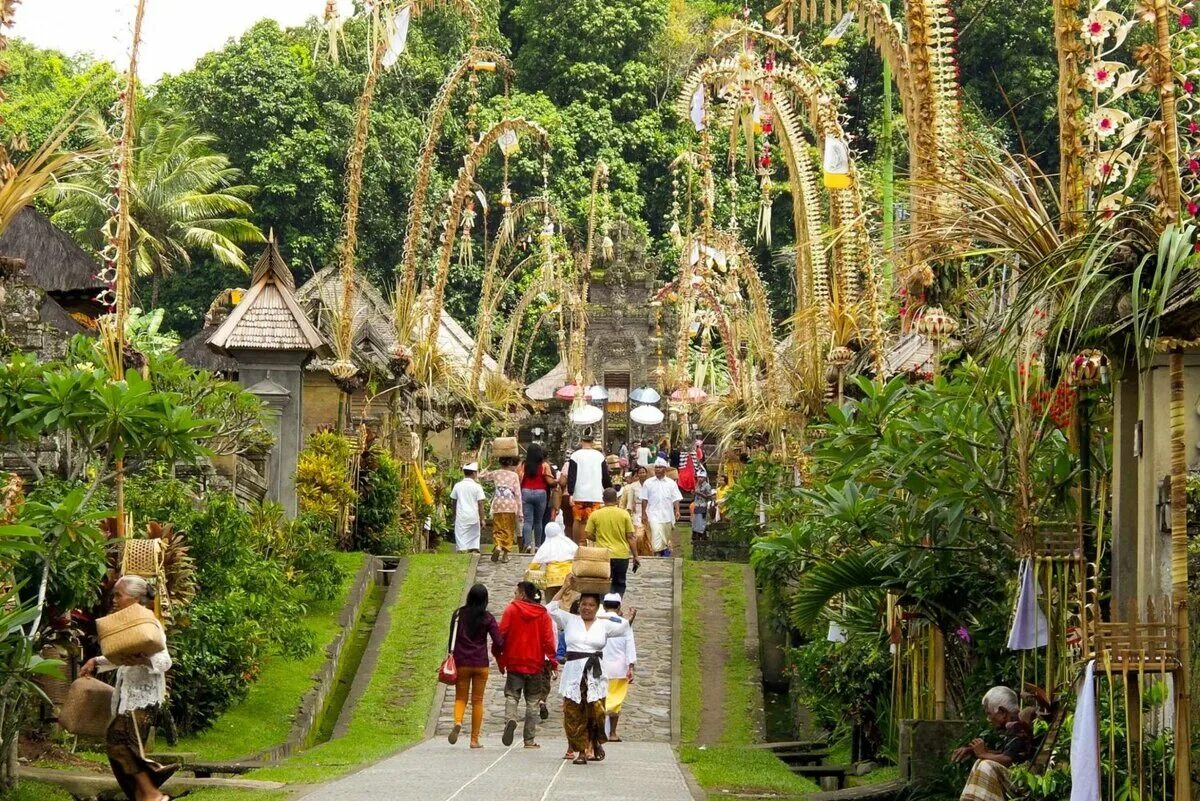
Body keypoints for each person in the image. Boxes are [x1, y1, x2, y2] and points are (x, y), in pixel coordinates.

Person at [80, 576, 178, 801]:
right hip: (127, 698)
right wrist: (97, 662)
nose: (113, 599)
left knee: (121, 743)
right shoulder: (130, 622)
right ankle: (143, 796)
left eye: (118, 594)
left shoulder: (148, 623)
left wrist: (144, 660)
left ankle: (153, 795)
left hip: (141, 699)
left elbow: (165, 661)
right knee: (123, 749)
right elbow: (121, 656)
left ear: (134, 598)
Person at [548, 576, 632, 764]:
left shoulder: (603, 624)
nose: (587, 608)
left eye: (591, 605)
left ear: (597, 607)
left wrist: (611, 614)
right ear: (579, 606)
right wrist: (564, 587)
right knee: (573, 712)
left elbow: (624, 626)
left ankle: (594, 742)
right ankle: (581, 751)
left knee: (596, 711)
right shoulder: (570, 620)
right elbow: (549, 610)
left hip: (594, 673)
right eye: (584, 604)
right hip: (573, 672)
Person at [498, 581, 558, 748]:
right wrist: (553, 663)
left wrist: (500, 657)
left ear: (523, 594)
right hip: (535, 663)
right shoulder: (543, 614)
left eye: (516, 592)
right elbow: (548, 641)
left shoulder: (511, 609)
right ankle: (529, 740)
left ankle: (510, 718)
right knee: (533, 701)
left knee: (512, 695)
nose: (514, 596)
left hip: (514, 661)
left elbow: (501, 634)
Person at [952, 686, 1033, 801]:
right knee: (981, 762)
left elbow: (1008, 759)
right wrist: (974, 751)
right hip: (1017, 778)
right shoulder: (1013, 726)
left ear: (1002, 712)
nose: (988, 719)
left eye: (989, 713)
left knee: (986, 765)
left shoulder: (1017, 726)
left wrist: (983, 754)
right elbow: (1011, 753)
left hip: (1022, 781)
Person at [447, 584, 504, 748]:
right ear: (485, 600)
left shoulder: (458, 614)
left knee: (460, 698)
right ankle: (474, 740)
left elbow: (452, 639)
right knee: (478, 701)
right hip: (480, 664)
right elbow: (499, 642)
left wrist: (450, 658)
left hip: (462, 663)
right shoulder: (488, 618)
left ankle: (458, 722)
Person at [585, 487, 640, 596]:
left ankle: (602, 605)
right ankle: (616, 605)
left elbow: (588, 534)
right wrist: (635, 556)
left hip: (602, 554)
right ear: (616, 499)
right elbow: (630, 537)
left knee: (603, 582)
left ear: (603, 499)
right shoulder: (624, 514)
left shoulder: (595, 514)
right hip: (621, 554)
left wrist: (599, 539)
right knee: (619, 582)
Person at [600, 593, 637, 742]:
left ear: (603, 606)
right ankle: (613, 733)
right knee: (616, 701)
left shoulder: (597, 622)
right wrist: (631, 666)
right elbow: (630, 646)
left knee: (601, 698)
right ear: (618, 607)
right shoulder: (624, 624)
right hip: (619, 668)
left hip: (601, 667)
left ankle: (600, 730)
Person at [565, 432, 611, 544]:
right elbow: (605, 476)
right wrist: (608, 489)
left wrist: (571, 492)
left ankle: (578, 544)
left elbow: (572, 476)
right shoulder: (599, 456)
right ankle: (592, 545)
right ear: (593, 442)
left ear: (581, 441)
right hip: (595, 493)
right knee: (593, 520)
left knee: (578, 519)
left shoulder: (575, 455)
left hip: (579, 493)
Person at [479, 457, 523, 563]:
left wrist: (488, 465)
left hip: (498, 504)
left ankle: (498, 545)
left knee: (498, 527)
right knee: (508, 529)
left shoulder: (496, 473)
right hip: (510, 505)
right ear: (511, 462)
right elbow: (517, 494)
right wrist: (520, 511)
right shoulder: (514, 475)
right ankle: (505, 555)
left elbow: (480, 476)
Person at [640, 458, 682, 556]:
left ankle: (663, 552)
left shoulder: (671, 483)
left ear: (665, 469)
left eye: (660, 467)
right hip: (653, 515)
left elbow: (676, 498)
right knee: (656, 536)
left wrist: (677, 511)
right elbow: (644, 499)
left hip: (667, 515)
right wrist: (643, 513)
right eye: (656, 468)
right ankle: (657, 555)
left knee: (665, 538)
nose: (657, 469)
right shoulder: (648, 483)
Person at [518, 444, 555, 551]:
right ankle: (538, 545)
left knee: (528, 521)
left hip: (526, 492)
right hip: (541, 493)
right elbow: (549, 481)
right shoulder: (544, 466)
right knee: (539, 521)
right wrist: (556, 482)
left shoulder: (523, 465)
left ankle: (528, 544)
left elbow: (519, 479)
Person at [530, 520, 578, 598]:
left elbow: (535, 564)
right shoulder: (569, 543)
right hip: (569, 578)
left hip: (551, 580)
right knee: (568, 604)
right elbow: (579, 555)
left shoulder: (545, 546)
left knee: (551, 603)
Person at [450, 463, 487, 553]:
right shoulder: (477, 487)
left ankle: (462, 549)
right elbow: (480, 503)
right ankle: (474, 548)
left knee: (460, 533)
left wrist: (454, 514)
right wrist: (482, 518)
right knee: (474, 533)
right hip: (473, 515)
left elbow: (454, 501)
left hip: (461, 515)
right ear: (474, 473)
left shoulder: (457, 486)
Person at [691, 467, 716, 539]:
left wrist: (699, 493)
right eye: (698, 477)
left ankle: (702, 535)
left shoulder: (707, 486)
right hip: (697, 504)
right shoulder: (697, 485)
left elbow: (709, 497)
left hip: (703, 505)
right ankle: (697, 535)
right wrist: (694, 493)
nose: (699, 479)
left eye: (701, 477)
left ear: (704, 478)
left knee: (701, 521)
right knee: (696, 521)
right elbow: (696, 494)